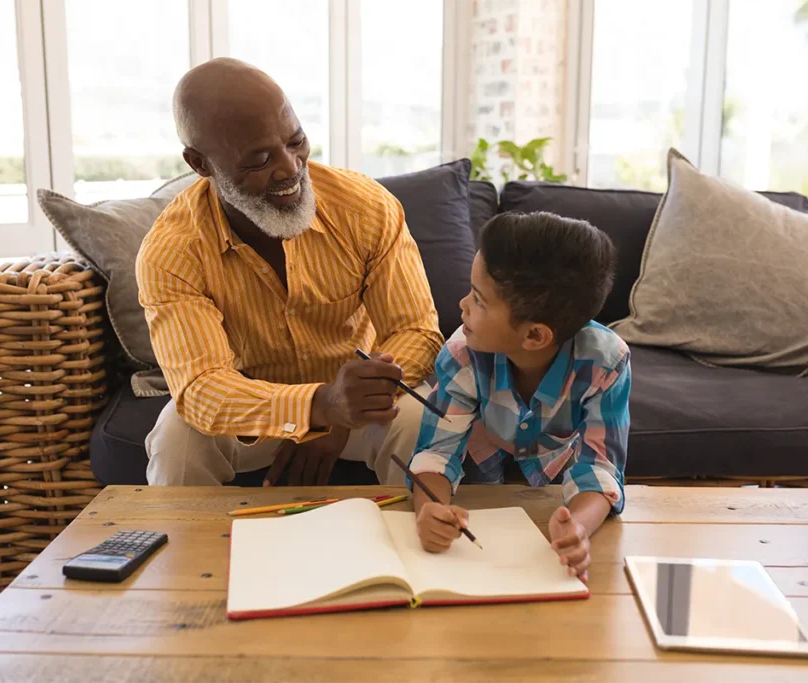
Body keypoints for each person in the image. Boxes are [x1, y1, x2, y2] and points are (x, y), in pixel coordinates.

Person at [137, 58, 442, 487]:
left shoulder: (367, 207)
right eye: (259, 160)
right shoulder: (172, 249)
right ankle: (190, 553)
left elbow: (417, 331)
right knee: (177, 437)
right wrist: (315, 408)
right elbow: (202, 390)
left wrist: (340, 416)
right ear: (200, 164)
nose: (290, 168)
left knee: (417, 421)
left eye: (296, 141)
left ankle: (420, 546)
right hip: (251, 411)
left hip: (358, 405)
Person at [408, 212, 630, 580]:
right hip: (479, 469)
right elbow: (437, 453)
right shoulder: (463, 353)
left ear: (534, 336)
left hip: (557, 475)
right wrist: (429, 508)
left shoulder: (607, 362)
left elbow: (600, 470)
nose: (462, 305)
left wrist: (577, 527)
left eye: (478, 300)